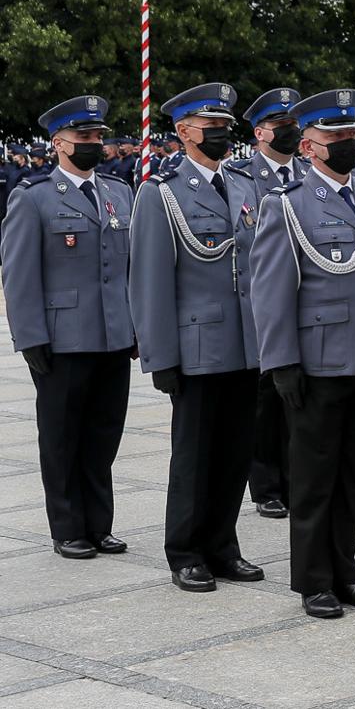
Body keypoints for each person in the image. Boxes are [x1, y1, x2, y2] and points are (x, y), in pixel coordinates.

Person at [252, 88, 355, 618]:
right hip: (319, 362)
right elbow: (272, 291)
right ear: (309, 147)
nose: (346, 143)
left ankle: (347, 570)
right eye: (335, 137)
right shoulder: (288, 204)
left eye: (351, 135)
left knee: (352, 474)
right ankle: (314, 580)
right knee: (315, 474)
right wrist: (281, 361)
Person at [131, 83, 267, 591]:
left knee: (235, 451)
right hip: (196, 348)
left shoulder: (243, 185)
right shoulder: (161, 193)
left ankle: (223, 545)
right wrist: (159, 355)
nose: (219, 134)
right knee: (194, 453)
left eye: (224, 127)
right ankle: (185, 550)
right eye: (210, 127)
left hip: (245, 343)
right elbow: (149, 281)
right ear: (183, 131)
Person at [4, 94, 135, 561]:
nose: (94, 144)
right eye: (84, 137)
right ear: (59, 143)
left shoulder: (119, 194)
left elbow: (128, 268)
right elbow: (19, 275)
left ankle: (99, 524)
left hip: (112, 336)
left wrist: (134, 326)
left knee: (103, 436)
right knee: (61, 438)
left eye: (98, 137)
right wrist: (31, 336)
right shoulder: (33, 197)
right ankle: (67, 527)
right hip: (61, 340)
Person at [236, 88, 303, 519]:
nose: (291, 133)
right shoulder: (244, 179)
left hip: (306, 300)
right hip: (262, 303)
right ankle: (265, 485)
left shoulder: (308, 174)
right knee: (264, 398)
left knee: (298, 396)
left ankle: (296, 477)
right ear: (261, 132)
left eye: (294, 125)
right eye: (282, 126)